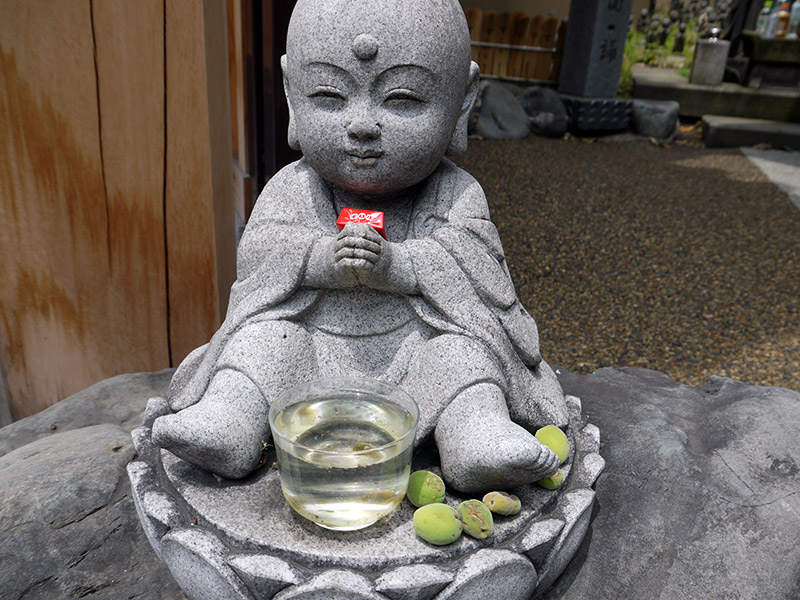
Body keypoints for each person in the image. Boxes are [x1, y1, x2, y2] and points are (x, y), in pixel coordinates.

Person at [153, 0, 568, 493]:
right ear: (291, 95)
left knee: (464, 355)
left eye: (403, 101)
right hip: (310, 346)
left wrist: (400, 265)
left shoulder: (455, 194)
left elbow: (478, 269)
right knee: (263, 341)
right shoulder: (293, 187)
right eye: (330, 97)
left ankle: (475, 438)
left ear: (461, 104)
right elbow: (259, 255)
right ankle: (229, 422)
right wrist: (318, 259)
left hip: (416, 349)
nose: (363, 125)